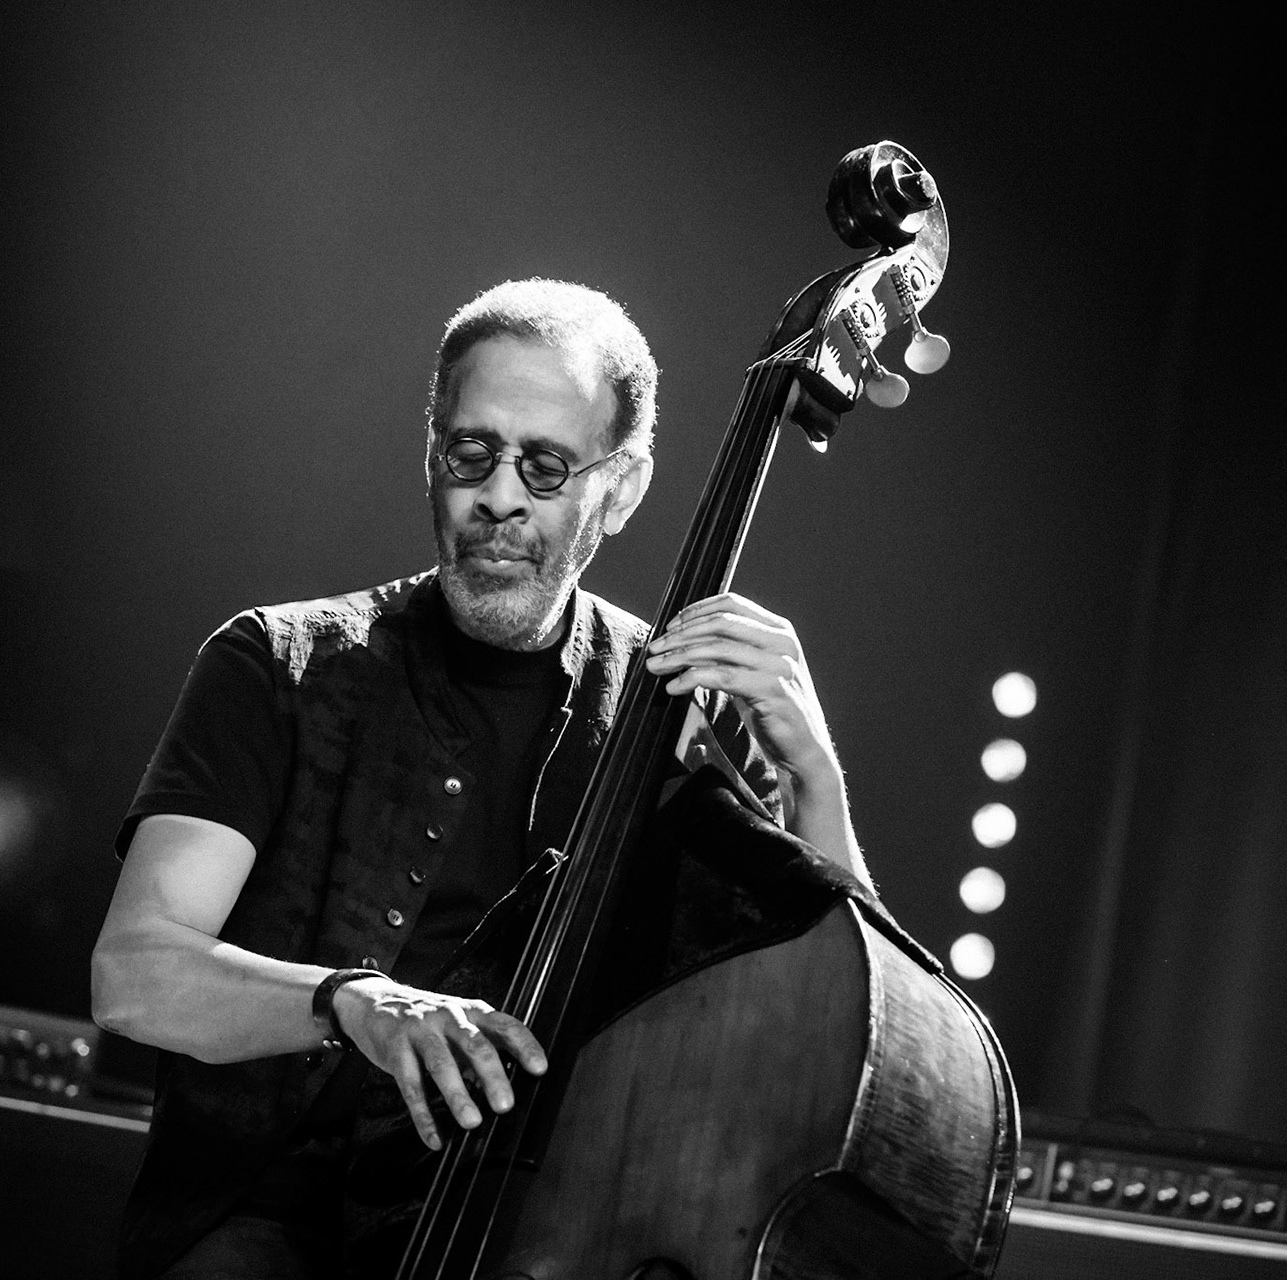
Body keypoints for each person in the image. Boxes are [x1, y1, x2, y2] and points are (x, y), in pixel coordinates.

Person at [91, 279, 868, 1278]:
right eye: (473, 452)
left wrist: (812, 770)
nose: (499, 496)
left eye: (546, 465)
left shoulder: (683, 712)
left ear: (620, 489)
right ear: (432, 456)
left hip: (550, 1233)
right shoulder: (277, 666)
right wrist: (352, 999)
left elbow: (828, 1027)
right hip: (280, 1225)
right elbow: (134, 972)